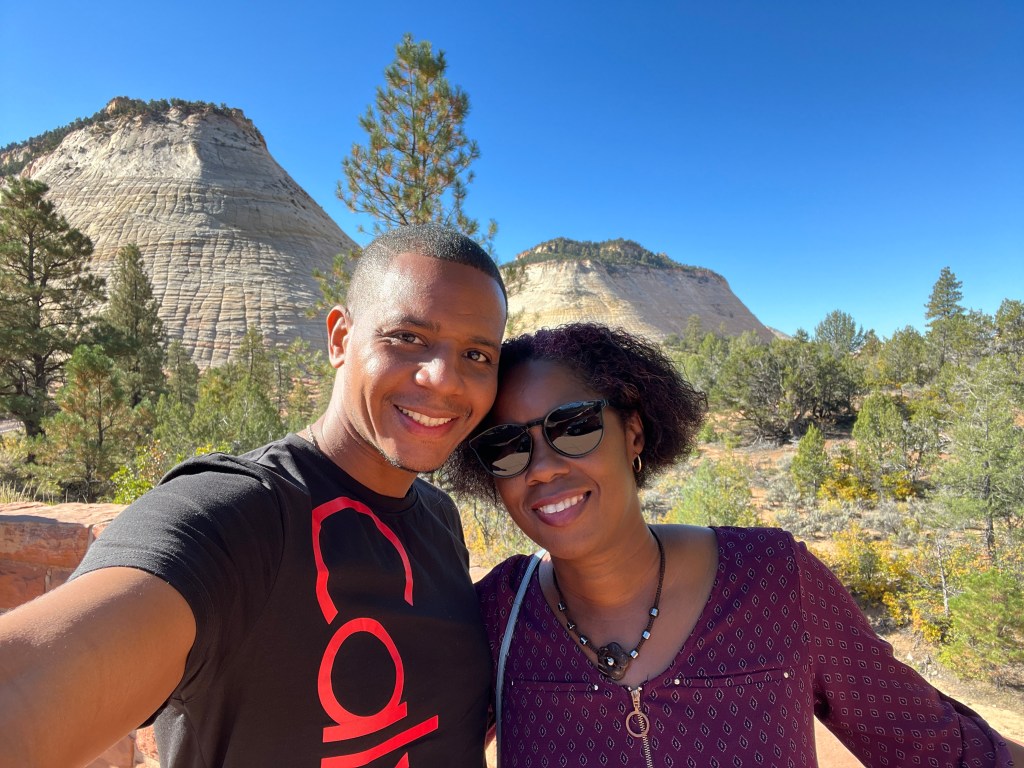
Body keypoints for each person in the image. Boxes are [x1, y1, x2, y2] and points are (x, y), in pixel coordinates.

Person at [0, 224, 508, 768]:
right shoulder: (235, 513)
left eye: (477, 355)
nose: (445, 379)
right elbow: (27, 686)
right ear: (340, 339)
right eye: (408, 337)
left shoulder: (439, 520)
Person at [445, 322, 1024, 768]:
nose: (543, 467)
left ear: (634, 432)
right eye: (506, 447)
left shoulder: (774, 580)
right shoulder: (499, 615)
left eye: (574, 427)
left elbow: (943, 750)